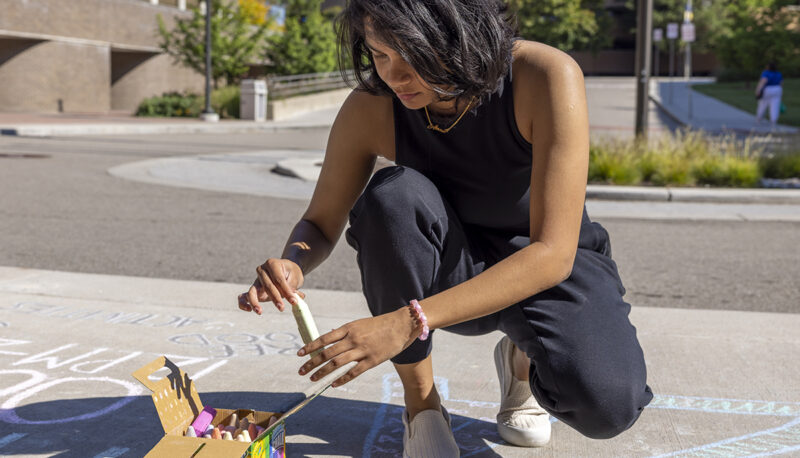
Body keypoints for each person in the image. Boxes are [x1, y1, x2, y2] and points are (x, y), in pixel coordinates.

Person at [237, 0, 653, 454]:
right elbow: (319, 222)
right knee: (391, 198)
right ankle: (423, 407)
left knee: (608, 407)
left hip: (540, 268)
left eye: (409, 54)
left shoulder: (544, 75)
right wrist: (293, 262)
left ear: (458, 34)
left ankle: (521, 363)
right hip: (450, 266)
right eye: (379, 54)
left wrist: (406, 322)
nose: (394, 76)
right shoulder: (374, 105)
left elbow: (553, 253)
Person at [755, 62, 783, 128]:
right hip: (777, 88)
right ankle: (773, 120)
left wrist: (758, 90)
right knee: (775, 105)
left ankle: (759, 118)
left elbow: (763, 81)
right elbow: (781, 83)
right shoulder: (779, 74)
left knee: (763, 104)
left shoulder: (766, 73)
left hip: (768, 89)